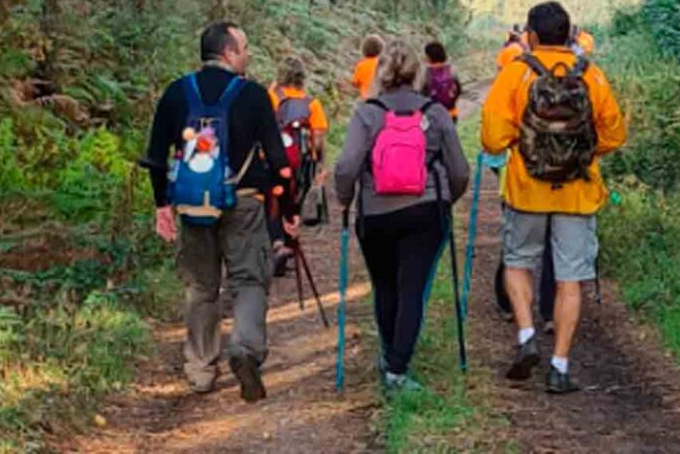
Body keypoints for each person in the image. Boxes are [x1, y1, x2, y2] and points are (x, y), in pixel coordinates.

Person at [141, 22, 299, 403]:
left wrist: (162, 205)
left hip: (193, 204)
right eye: (244, 47)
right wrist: (288, 210)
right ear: (228, 52)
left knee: (201, 285)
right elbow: (279, 161)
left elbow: (156, 156)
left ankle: (200, 369)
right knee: (250, 279)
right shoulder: (253, 95)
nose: (248, 54)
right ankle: (245, 348)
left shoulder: (177, 93)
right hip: (245, 202)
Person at [481, 1, 626, 394]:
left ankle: (527, 335)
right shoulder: (591, 75)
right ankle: (560, 365)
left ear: (530, 35)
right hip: (578, 191)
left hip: (526, 188)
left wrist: (525, 145)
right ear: (570, 34)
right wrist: (580, 154)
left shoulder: (516, 73)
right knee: (570, 278)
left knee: (517, 262)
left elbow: (492, 138)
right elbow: (614, 134)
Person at [334, 40, 470, 394]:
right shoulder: (435, 113)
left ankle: (389, 354)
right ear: (417, 73)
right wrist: (445, 201)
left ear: (381, 73)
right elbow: (459, 170)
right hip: (426, 212)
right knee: (412, 288)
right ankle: (397, 369)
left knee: (385, 286)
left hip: (375, 214)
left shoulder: (367, 113)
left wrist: (345, 200)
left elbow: (346, 166)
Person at [267, 56, 330, 276]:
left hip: (274, 159)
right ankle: (289, 245)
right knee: (294, 202)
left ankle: (276, 244)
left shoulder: (272, 97)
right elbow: (318, 138)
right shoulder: (312, 104)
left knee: (274, 201)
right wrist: (319, 162)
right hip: (301, 162)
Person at [422, 41, 463, 122]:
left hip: (433, 115)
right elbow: (458, 90)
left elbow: (421, 94)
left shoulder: (425, 73)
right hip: (451, 113)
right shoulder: (451, 70)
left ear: (429, 57)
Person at [352, 35, 384, 99]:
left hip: (366, 99)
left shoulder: (360, 66)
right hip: (381, 99)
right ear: (380, 50)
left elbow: (355, 83)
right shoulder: (382, 65)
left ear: (364, 49)